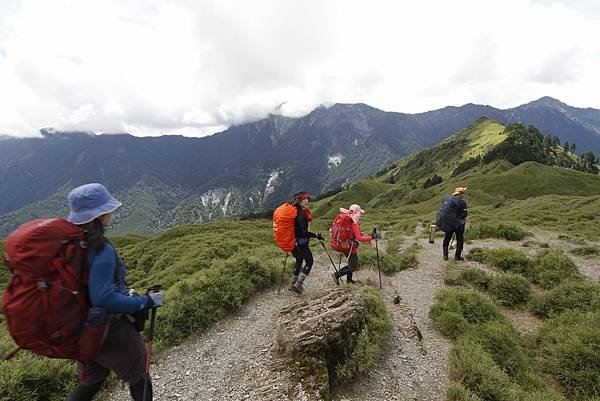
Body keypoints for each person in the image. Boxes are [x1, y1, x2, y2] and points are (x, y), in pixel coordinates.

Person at [65, 183, 164, 401]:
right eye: (106, 209)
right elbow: (103, 297)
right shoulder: (101, 250)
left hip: (81, 327)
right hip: (108, 328)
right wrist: (144, 302)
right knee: (140, 375)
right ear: (98, 216)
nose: (111, 213)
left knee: (92, 381)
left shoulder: (74, 244)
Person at [289, 191, 323, 294]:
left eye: (307, 199)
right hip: (301, 243)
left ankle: (293, 284)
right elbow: (304, 233)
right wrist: (316, 235)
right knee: (309, 261)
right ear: (299, 200)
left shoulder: (294, 211)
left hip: (292, 242)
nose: (307, 201)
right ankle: (298, 284)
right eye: (304, 199)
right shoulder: (302, 214)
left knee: (299, 261)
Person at [331, 204, 374, 284]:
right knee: (353, 265)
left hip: (343, 244)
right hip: (350, 247)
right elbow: (359, 238)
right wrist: (372, 237)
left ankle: (349, 279)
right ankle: (337, 275)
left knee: (350, 262)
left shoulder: (346, 219)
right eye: (360, 213)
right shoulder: (354, 224)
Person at [441, 187, 468, 261]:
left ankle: (445, 255)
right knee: (460, 240)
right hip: (459, 225)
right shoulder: (463, 203)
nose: (463, 195)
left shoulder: (449, 201)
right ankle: (457, 257)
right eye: (463, 193)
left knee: (447, 239)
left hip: (449, 223)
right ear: (460, 194)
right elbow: (465, 214)